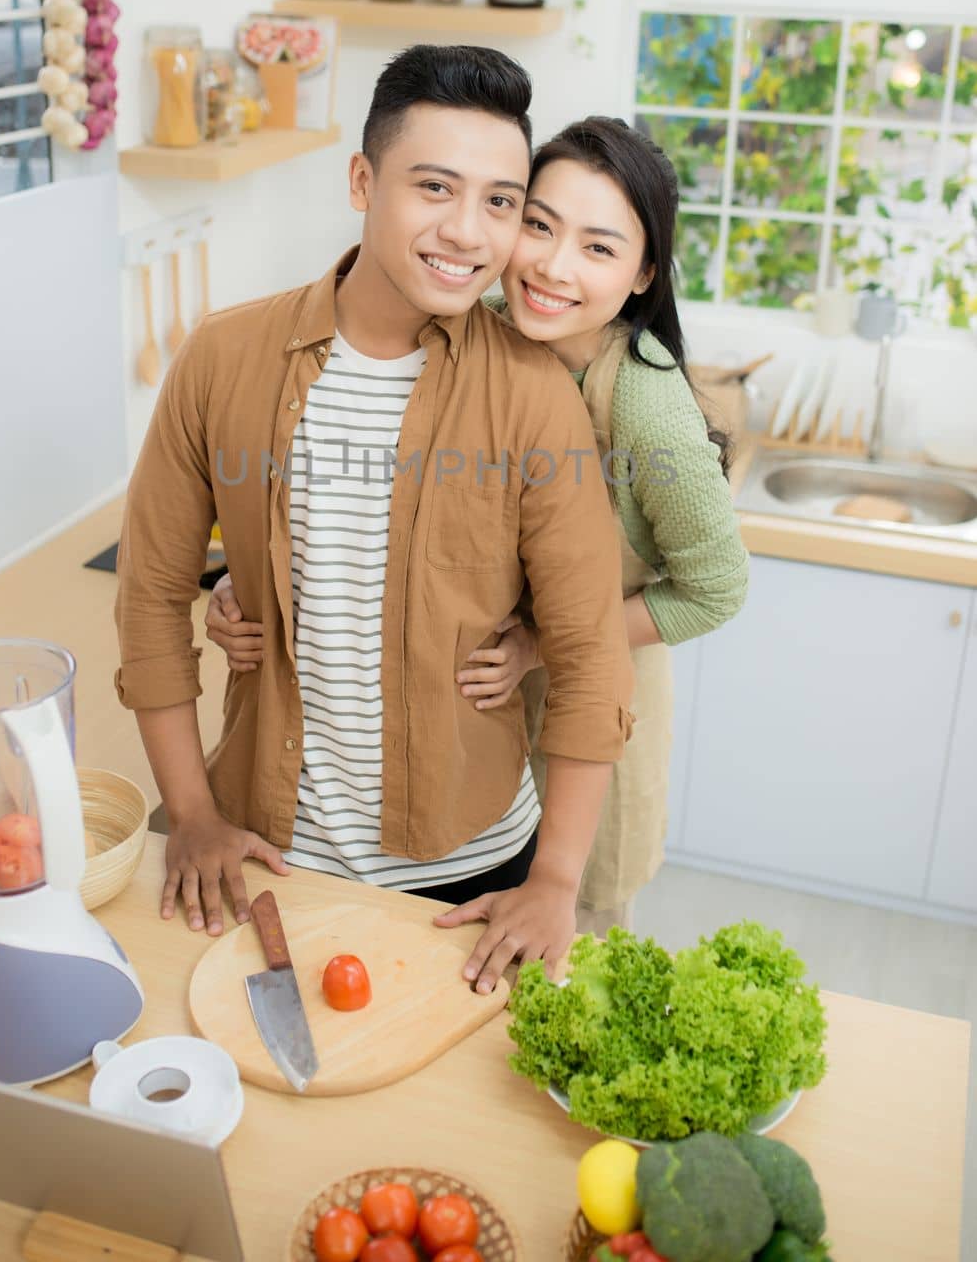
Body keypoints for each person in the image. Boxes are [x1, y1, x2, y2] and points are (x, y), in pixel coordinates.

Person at [114, 45, 634, 996]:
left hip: (471, 879)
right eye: (435, 187)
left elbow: (590, 645)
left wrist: (557, 876)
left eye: (501, 201)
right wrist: (187, 812)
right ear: (363, 180)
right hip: (261, 853)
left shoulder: (530, 393)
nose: (467, 232)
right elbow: (149, 596)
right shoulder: (224, 357)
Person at [208, 115, 747, 934]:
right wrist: (247, 594)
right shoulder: (476, 324)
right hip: (474, 710)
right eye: (537, 224)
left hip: (590, 697)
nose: (552, 266)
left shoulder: (645, 406)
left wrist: (540, 645)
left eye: (598, 249)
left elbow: (716, 590)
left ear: (643, 275)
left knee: (569, 935)